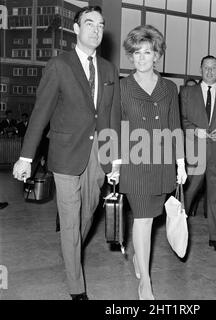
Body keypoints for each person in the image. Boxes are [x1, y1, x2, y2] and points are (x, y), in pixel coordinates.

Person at [13, 6, 121, 300]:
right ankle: (77, 286)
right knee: (71, 217)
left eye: (100, 25)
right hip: (64, 154)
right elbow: (41, 112)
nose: (96, 30)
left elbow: (111, 116)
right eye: (89, 24)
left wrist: (115, 159)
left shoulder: (110, 70)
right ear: (76, 29)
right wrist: (26, 156)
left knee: (88, 214)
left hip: (98, 156)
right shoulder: (59, 64)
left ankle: (70, 249)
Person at [119, 25, 187, 300]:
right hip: (134, 163)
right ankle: (145, 281)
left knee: (150, 217)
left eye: (147, 52)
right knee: (144, 219)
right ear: (130, 56)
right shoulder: (122, 86)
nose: (141, 57)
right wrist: (114, 161)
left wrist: (181, 163)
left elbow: (175, 127)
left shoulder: (170, 87)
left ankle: (138, 257)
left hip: (162, 164)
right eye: (136, 52)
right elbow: (115, 126)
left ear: (157, 55)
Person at [180, 55, 216, 252]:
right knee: (187, 194)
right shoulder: (187, 93)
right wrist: (195, 131)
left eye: (213, 68)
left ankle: (215, 237)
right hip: (195, 154)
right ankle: (179, 232)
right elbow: (181, 119)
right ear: (200, 69)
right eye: (206, 67)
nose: (210, 71)